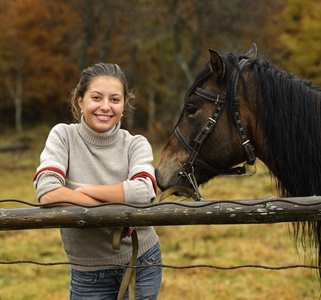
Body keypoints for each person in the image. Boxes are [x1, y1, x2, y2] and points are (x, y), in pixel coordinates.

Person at [33, 63, 162, 300]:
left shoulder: (136, 144)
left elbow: (144, 192)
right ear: (80, 100)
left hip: (141, 262)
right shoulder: (63, 136)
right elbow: (47, 189)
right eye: (96, 97)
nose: (105, 106)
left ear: (124, 105)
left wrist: (84, 190)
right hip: (87, 272)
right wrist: (121, 211)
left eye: (115, 99)